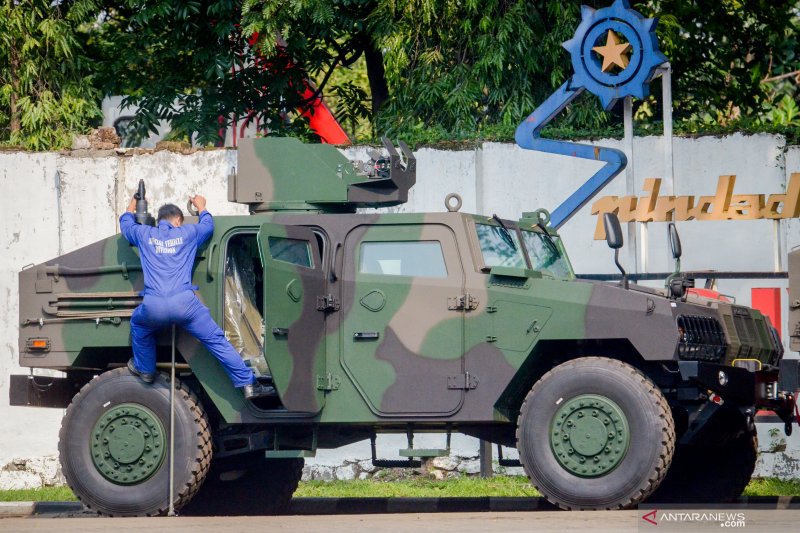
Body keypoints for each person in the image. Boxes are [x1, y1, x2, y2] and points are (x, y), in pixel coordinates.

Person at [119, 193, 271, 399]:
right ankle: (248, 383)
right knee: (216, 340)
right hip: (185, 305)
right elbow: (208, 226)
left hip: (154, 306)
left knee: (139, 325)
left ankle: (145, 370)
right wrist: (201, 207)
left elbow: (126, 225)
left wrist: (132, 206)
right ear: (178, 220)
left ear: (161, 220)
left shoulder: (144, 234)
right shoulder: (187, 233)